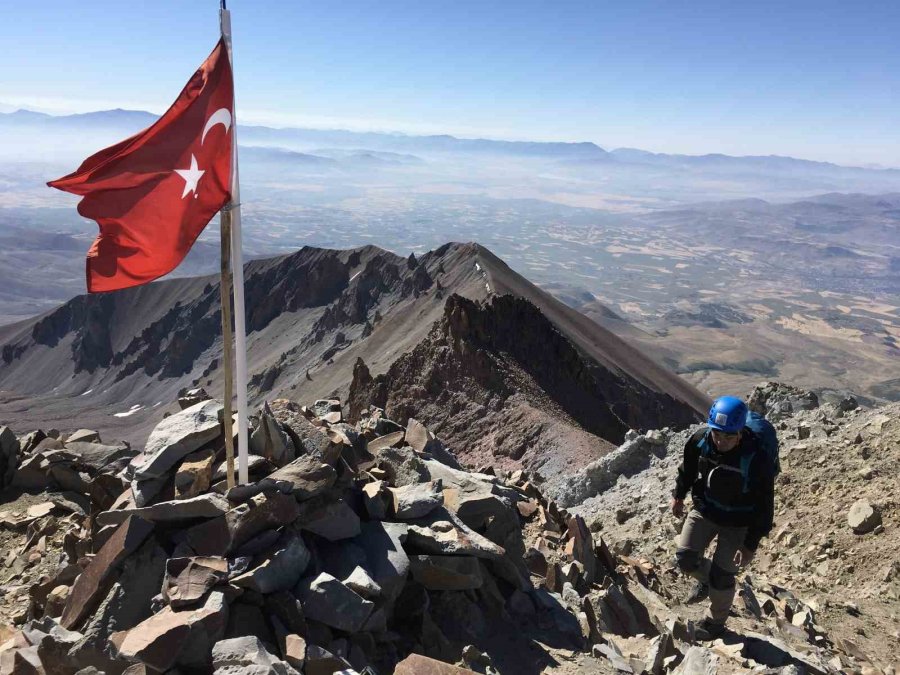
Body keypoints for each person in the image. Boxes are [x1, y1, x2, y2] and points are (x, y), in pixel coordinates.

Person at [670, 395, 776, 638]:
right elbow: (687, 469)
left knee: (723, 574)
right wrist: (678, 495)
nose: (721, 441)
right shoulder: (700, 441)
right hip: (705, 509)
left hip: (739, 523)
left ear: (740, 432)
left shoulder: (757, 456)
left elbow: (765, 504)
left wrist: (751, 544)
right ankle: (712, 583)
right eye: (717, 434)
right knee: (685, 558)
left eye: (728, 436)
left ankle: (715, 623)